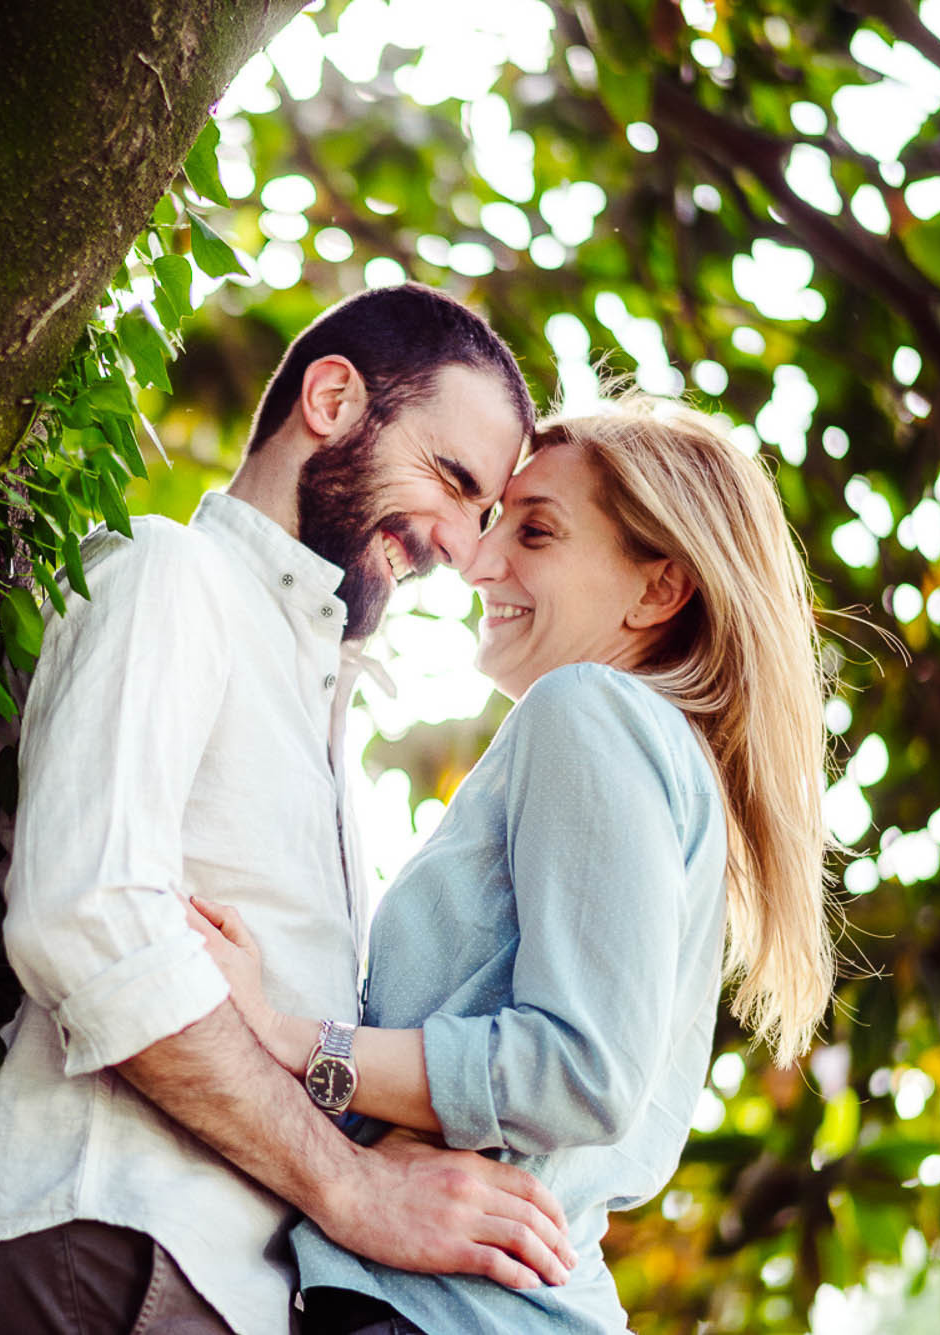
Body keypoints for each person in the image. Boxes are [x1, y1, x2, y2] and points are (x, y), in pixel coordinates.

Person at [0, 283, 577, 1335]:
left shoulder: (313, 698)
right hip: (107, 1255)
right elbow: (87, 923)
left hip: (215, 1290)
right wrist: (356, 1191)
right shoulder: (172, 576)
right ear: (332, 399)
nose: (458, 544)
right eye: (451, 482)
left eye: (483, 514)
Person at [189, 398, 839, 1333]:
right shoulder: (658, 759)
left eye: (536, 532)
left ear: (658, 590)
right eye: (495, 524)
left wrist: (296, 1038)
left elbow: (578, 1072)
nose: (481, 562)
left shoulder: (591, 709)